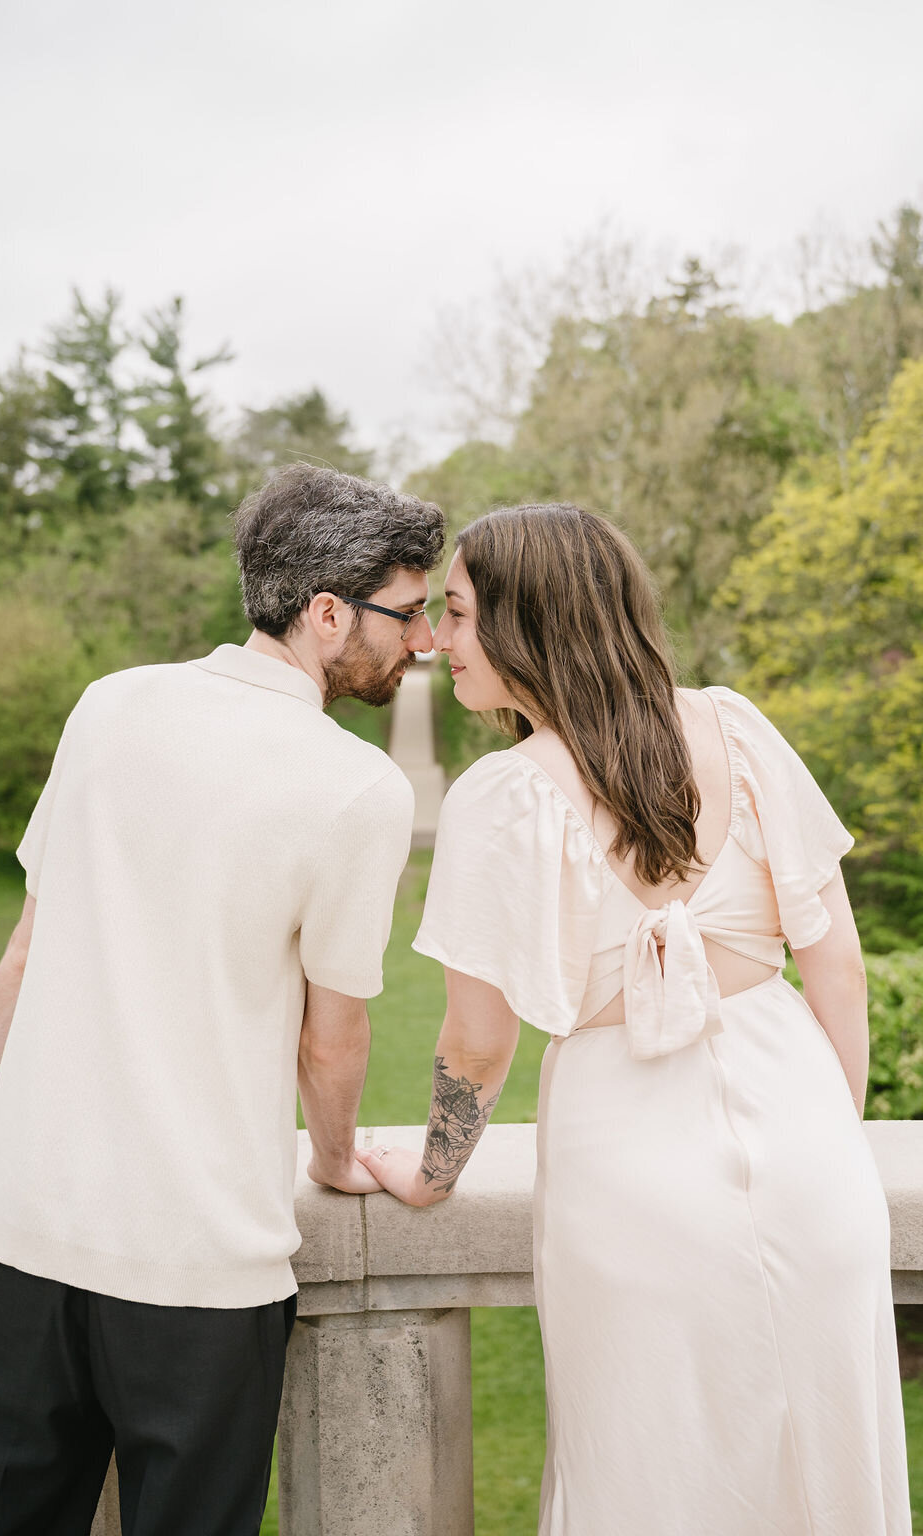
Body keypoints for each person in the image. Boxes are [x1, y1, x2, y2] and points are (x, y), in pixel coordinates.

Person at [0, 463, 445, 1536]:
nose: (422, 639)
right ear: (327, 613)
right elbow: (330, 1044)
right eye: (409, 611)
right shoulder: (358, 789)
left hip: (24, 1241)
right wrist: (334, 1162)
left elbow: (30, 942)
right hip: (201, 1277)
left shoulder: (112, 705)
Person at [359, 502, 911, 1536]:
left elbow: (478, 1044)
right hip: (804, 1137)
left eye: (462, 615)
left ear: (535, 622)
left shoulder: (501, 797)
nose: (436, 640)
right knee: (824, 1461)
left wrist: (431, 1178)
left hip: (629, 1159)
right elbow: (833, 965)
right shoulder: (734, 728)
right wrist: (830, 1137)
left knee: (647, 1470)